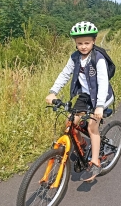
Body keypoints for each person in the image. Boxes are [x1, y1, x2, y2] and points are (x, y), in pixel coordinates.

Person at [45, 21, 114, 182]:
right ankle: (82, 144)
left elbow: (103, 83)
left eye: (87, 43)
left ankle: (95, 160)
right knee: (71, 123)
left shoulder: (98, 58)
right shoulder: (75, 57)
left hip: (101, 97)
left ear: (94, 41)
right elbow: (64, 74)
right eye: (79, 43)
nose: (83, 46)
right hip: (85, 96)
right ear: (75, 43)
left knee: (92, 126)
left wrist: (99, 106)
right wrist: (53, 92)